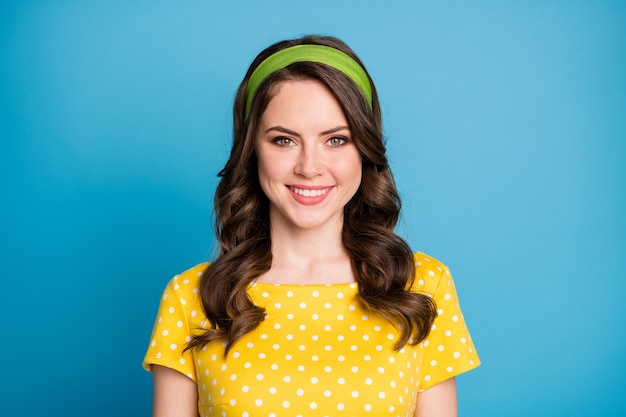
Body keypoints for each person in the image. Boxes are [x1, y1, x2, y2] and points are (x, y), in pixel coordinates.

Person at [143, 35, 480, 417]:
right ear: (251, 151)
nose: (309, 167)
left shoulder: (422, 286)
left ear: (365, 151)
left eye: (336, 140)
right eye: (284, 140)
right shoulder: (191, 297)